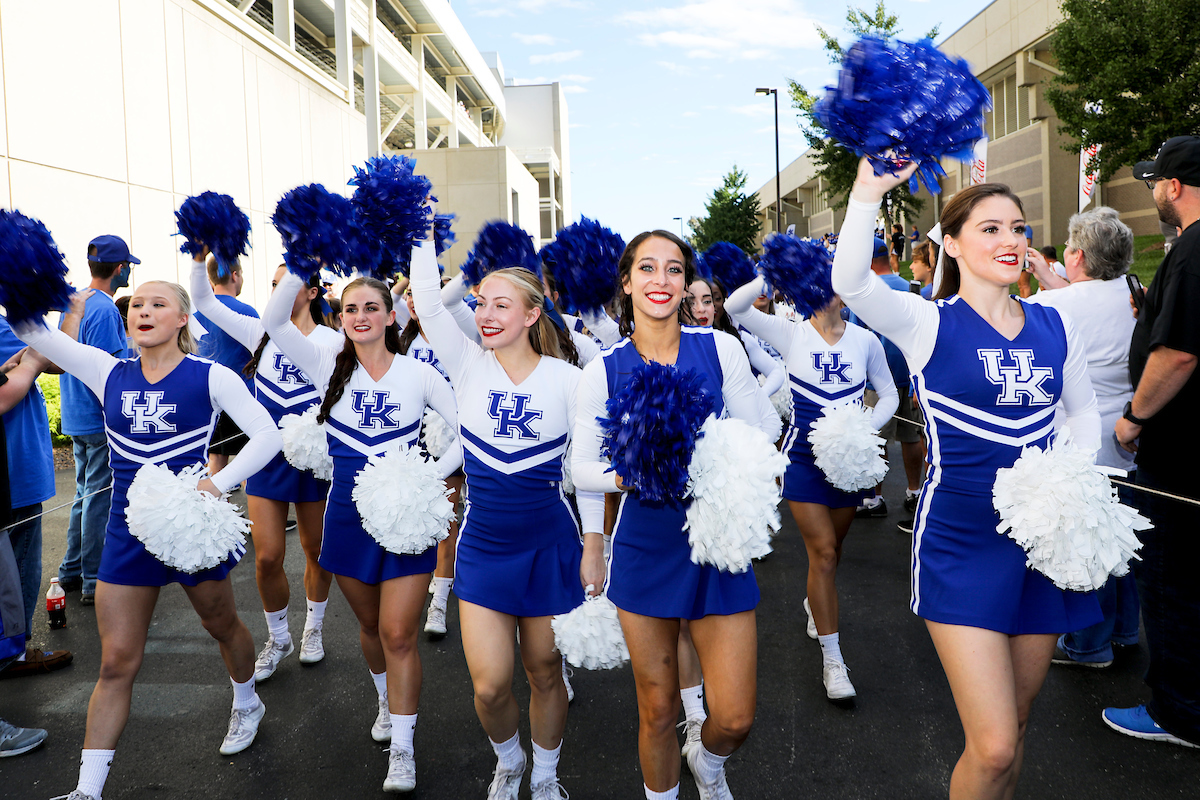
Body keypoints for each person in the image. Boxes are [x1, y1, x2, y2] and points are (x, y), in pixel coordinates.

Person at [831, 157, 1102, 799]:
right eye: (990, 229)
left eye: (1018, 227)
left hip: (1040, 546)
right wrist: (868, 191)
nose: (1010, 240)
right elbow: (851, 282)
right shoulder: (927, 323)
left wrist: (1066, 481)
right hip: (961, 544)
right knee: (994, 743)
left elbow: (1084, 412)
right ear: (951, 243)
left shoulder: (1056, 321)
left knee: (1018, 726)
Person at [18, 281, 283, 800]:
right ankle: (86, 791)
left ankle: (247, 700)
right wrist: (24, 280)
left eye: (158, 304)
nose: (143, 310)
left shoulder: (212, 375)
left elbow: (268, 434)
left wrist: (216, 484)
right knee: (116, 661)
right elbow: (35, 334)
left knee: (222, 624)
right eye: (136, 304)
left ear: (183, 319)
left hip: (190, 526)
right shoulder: (106, 370)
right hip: (126, 530)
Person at [573, 230, 780, 800]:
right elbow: (579, 466)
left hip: (718, 539)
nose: (660, 281)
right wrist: (631, 471)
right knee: (658, 708)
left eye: (672, 269)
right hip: (647, 544)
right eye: (647, 268)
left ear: (686, 283)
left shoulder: (720, 349)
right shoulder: (604, 370)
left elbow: (765, 428)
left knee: (735, 716)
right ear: (627, 282)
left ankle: (708, 761)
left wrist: (715, 455)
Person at [411, 242, 602, 800]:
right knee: (491, 686)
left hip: (551, 545)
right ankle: (509, 759)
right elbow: (425, 300)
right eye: (480, 304)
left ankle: (545, 773)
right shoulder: (468, 366)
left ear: (532, 314)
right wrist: (422, 230)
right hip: (485, 547)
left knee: (545, 671)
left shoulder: (570, 380)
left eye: (500, 305)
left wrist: (595, 544)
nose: (485, 315)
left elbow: (587, 470)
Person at [264, 264, 459, 793]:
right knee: (371, 630)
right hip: (347, 517)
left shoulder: (418, 373)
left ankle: (403, 747)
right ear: (340, 316)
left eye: (372, 307)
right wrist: (302, 261)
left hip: (406, 517)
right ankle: (384, 699)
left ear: (391, 315)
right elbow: (275, 319)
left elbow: (469, 429)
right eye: (350, 308)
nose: (360, 315)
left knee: (399, 634)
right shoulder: (324, 361)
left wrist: (428, 474)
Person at [726, 274, 896, 702]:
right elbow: (736, 307)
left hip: (848, 464)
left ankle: (814, 605)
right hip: (802, 460)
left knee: (832, 553)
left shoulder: (865, 341)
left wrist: (863, 429)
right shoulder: (789, 333)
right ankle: (833, 661)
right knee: (821, 552)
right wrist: (776, 268)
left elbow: (890, 394)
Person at [189, 258, 343, 678]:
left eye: (285, 285)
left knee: (316, 550)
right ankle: (278, 636)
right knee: (268, 556)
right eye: (272, 284)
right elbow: (203, 299)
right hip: (266, 456)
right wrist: (198, 254)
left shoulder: (333, 340)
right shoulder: (259, 331)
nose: (275, 293)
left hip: (312, 457)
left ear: (311, 292)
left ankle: (313, 627)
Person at [1021, 207, 1140, 671]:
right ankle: (1126, 631)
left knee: (1087, 538)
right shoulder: (1135, 293)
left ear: (1077, 256)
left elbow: (1058, 307)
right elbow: (1085, 296)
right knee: (1124, 534)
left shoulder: (1054, 305)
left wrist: (1034, 282)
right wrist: (1047, 273)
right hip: (1128, 431)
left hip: (1079, 435)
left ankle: (1088, 644)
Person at [1111, 135, 1200, 749]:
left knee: (1172, 584)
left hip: (1182, 456)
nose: (1153, 196)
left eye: (1154, 184)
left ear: (1174, 185)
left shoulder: (1193, 251)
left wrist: (1133, 420)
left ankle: (1179, 712)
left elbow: (1178, 352)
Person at [58, 235, 135, 608]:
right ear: (120, 268)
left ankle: (72, 570)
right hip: (97, 414)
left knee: (83, 493)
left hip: (76, 412)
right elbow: (112, 371)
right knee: (99, 497)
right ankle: (92, 578)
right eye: (128, 266)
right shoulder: (105, 310)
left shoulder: (73, 302)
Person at [388, 277, 465, 640]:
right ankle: (437, 586)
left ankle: (441, 598)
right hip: (422, 437)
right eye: (411, 297)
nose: (414, 302)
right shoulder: (404, 341)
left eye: (424, 296)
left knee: (453, 517)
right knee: (436, 515)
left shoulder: (459, 337)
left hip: (462, 432)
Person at [0, 314, 71, 678]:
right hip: (15, 477)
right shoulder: (6, 327)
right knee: (18, 565)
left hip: (16, 474)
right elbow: (61, 357)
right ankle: (14, 649)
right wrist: (70, 309)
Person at [854, 239, 921, 521]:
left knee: (875, 438)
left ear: (868, 262)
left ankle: (875, 498)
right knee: (910, 437)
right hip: (909, 372)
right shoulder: (910, 288)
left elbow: (858, 337)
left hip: (877, 379)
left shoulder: (866, 292)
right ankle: (914, 491)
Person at [195, 256, 259, 477]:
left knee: (215, 461)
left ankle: (212, 508)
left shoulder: (196, 315)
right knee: (250, 460)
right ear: (235, 275)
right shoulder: (247, 312)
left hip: (206, 397)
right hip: (243, 396)